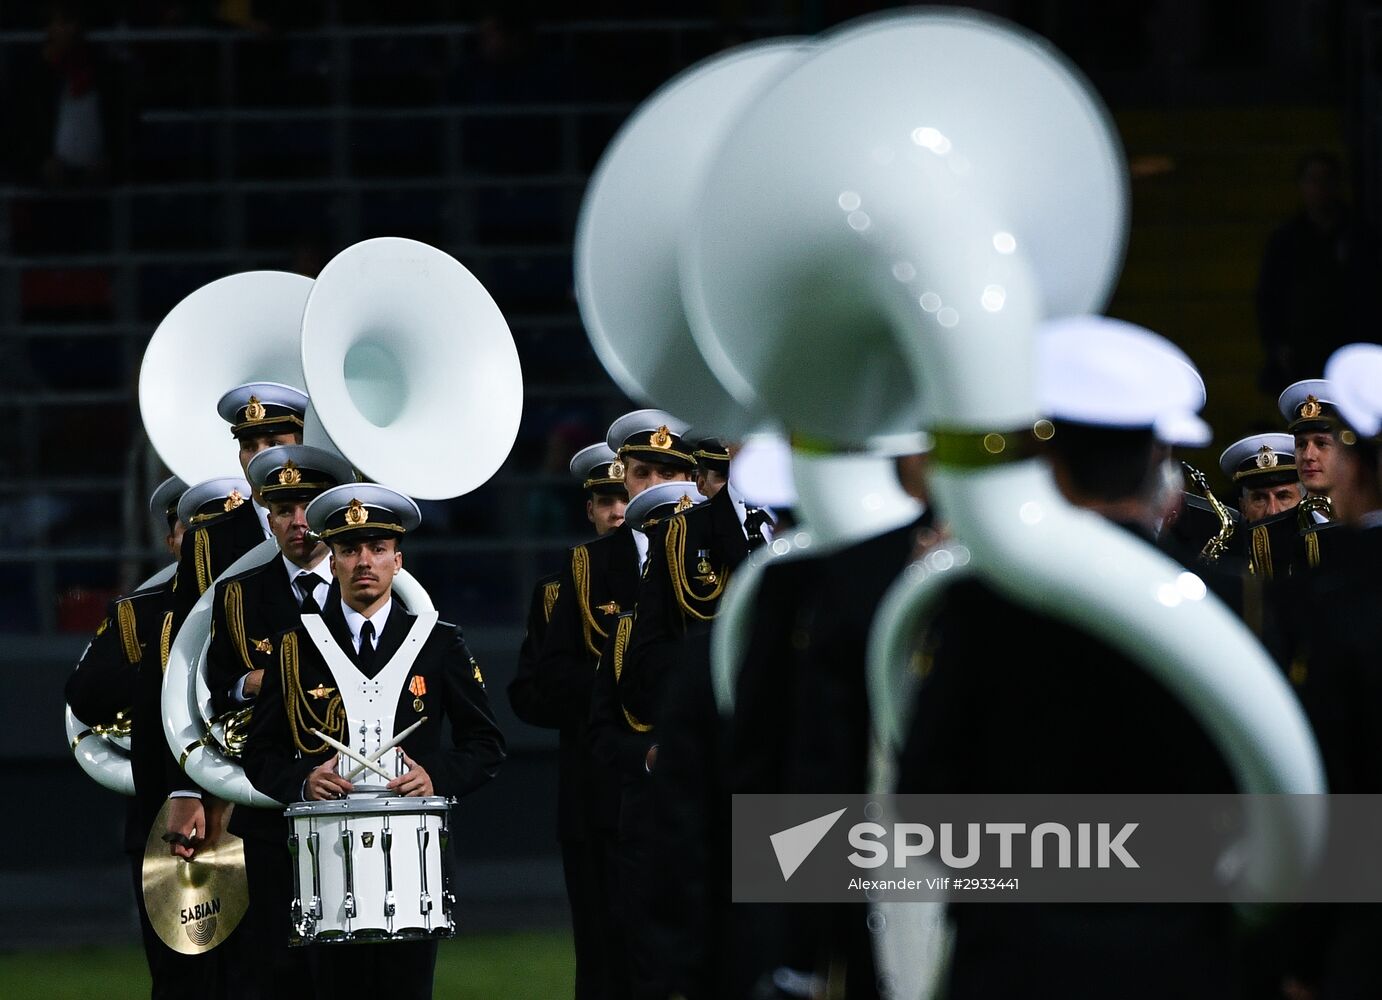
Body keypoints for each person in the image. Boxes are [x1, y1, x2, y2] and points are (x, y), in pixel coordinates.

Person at [897, 317, 1239, 1000]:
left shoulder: (977, 606)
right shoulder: (1234, 604)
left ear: (1045, 460)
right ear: (1161, 455)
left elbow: (923, 807)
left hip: (1014, 962)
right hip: (1182, 963)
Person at [242, 483, 505, 1000]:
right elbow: (259, 755)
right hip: (325, 864)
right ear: (333, 560)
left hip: (413, 864)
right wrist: (300, 779)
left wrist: (436, 776)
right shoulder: (296, 646)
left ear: (397, 561)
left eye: (377, 549)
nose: (364, 561)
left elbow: (486, 745)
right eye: (349, 549)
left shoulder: (439, 641)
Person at [535, 410, 694, 1000]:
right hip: (611, 788)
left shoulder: (718, 555)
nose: (653, 486)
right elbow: (552, 678)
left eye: (668, 471)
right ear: (622, 476)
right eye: (642, 472)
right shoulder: (588, 566)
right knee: (610, 956)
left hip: (705, 787)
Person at [204, 444, 353, 1000]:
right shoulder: (238, 596)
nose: (298, 522)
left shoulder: (367, 584)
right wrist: (255, 683)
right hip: (268, 806)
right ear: (268, 517)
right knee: (269, 968)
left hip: (349, 802)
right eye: (284, 509)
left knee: (344, 972)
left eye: (308, 506)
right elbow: (214, 689)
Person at [66, 476, 223, 998]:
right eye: (189, 527)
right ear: (172, 539)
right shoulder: (139, 611)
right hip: (171, 831)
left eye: (216, 528)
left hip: (257, 821)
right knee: (183, 982)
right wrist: (171, 674)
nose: (202, 540)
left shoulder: (271, 603)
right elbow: (86, 697)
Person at [507, 440, 627, 1000]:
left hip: (664, 789)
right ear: (589, 509)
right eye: (605, 499)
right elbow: (529, 693)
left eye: (625, 495)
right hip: (591, 791)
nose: (617, 510)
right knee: (600, 957)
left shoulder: (686, 581)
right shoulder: (557, 592)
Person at [166, 382, 308, 856]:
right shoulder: (211, 541)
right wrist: (184, 787)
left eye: (275, 443)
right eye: (250, 445)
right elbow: (177, 666)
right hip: (243, 770)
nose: (260, 456)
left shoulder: (348, 532)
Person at [1256, 151, 1381, 390]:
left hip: (1352, 343)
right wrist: (1277, 344)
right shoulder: (1287, 239)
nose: (1320, 188)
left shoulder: (1360, 235)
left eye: (1327, 180)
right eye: (1313, 180)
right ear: (1302, 186)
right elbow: (1269, 295)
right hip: (1303, 348)